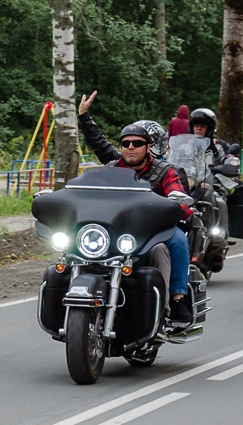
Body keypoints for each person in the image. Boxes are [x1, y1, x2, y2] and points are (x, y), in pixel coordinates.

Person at [78, 91, 194, 324]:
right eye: (126, 143)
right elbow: (98, 151)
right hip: (116, 229)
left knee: (178, 240)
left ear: (148, 147)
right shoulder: (112, 167)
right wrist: (83, 116)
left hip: (152, 231)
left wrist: (176, 204)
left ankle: (178, 298)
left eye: (137, 143)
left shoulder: (165, 171)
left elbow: (181, 203)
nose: (131, 147)